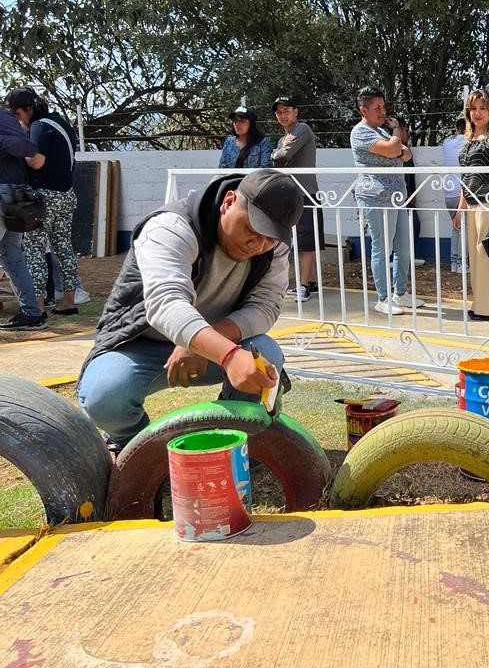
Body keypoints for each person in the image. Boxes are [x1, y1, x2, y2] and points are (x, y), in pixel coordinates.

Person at [77, 168, 305, 454]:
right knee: (104, 395)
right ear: (229, 202)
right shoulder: (170, 227)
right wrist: (229, 354)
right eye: (251, 230)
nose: (257, 245)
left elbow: (266, 306)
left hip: (215, 345)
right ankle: (136, 449)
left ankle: (234, 441)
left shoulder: (274, 248)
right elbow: (166, 303)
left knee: (265, 353)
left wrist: (206, 344)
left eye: (269, 239)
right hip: (140, 346)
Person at [350, 87, 421, 315]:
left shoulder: (381, 131)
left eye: (383, 106)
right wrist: (396, 137)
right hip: (376, 197)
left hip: (396, 196)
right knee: (382, 247)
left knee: (403, 245)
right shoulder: (361, 132)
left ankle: (400, 293)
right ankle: (382, 298)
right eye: (377, 108)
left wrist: (395, 143)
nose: (382, 111)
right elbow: (394, 150)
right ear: (363, 110)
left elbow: (406, 154)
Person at [21, 92, 82, 316]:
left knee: (34, 249)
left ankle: (37, 305)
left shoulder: (39, 127)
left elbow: (36, 162)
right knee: (64, 247)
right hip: (67, 194)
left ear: (28, 110)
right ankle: (69, 301)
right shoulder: (62, 124)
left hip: (44, 198)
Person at [455, 88, 489, 321]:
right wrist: (460, 209)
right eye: (473, 108)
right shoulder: (467, 141)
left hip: (488, 204)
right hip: (472, 205)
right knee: (476, 259)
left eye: (482, 108)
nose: (477, 113)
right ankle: (480, 305)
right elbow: (464, 178)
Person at [0, 87, 46, 331]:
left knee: (13, 257)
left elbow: (13, 146)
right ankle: (32, 313)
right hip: (16, 196)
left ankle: (32, 313)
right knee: (12, 256)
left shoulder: (7, 122)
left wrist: (28, 148)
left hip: (4, 193)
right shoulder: (16, 124)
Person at [271, 95, 323, 301]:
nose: (283, 115)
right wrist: (279, 150)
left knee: (306, 241)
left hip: (306, 193)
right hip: (292, 193)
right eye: (279, 112)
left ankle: (303, 286)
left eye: (286, 111)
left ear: (296, 112)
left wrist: (279, 152)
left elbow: (283, 157)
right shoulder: (282, 139)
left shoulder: (302, 129)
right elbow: (278, 160)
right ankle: (310, 282)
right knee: (296, 240)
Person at [396, 117, 425, 267]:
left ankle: (409, 256)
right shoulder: (394, 150)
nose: (408, 134)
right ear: (399, 130)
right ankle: (396, 258)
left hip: (408, 196)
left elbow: (411, 175)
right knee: (397, 228)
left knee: (414, 224)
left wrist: (413, 193)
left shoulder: (407, 151)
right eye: (406, 130)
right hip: (396, 196)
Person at [442, 118, 467, 273]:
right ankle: (462, 264)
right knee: (464, 230)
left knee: (456, 228)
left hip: (448, 192)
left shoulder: (447, 143)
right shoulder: (468, 143)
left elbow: (451, 138)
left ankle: (454, 263)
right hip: (461, 192)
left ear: (456, 129)